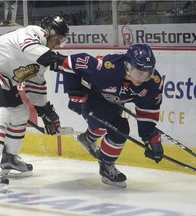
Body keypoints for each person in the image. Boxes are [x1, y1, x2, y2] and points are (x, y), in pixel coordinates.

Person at [54, 44, 164, 188]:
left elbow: (147, 111)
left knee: (107, 123)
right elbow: (70, 62)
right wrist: (75, 94)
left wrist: (151, 138)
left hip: (114, 100)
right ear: (128, 66)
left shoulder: (153, 84)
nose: (143, 78)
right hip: (95, 95)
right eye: (139, 72)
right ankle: (106, 166)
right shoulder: (106, 70)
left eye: (147, 73)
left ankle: (87, 138)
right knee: (120, 129)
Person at [0, 15, 69, 188]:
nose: (59, 43)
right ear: (48, 32)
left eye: (62, 40)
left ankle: (9, 158)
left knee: (21, 114)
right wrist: (58, 59)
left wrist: (45, 111)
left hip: (4, 79)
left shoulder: (43, 59)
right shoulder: (30, 33)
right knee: (1, 115)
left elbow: (35, 85)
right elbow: (32, 50)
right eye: (58, 38)